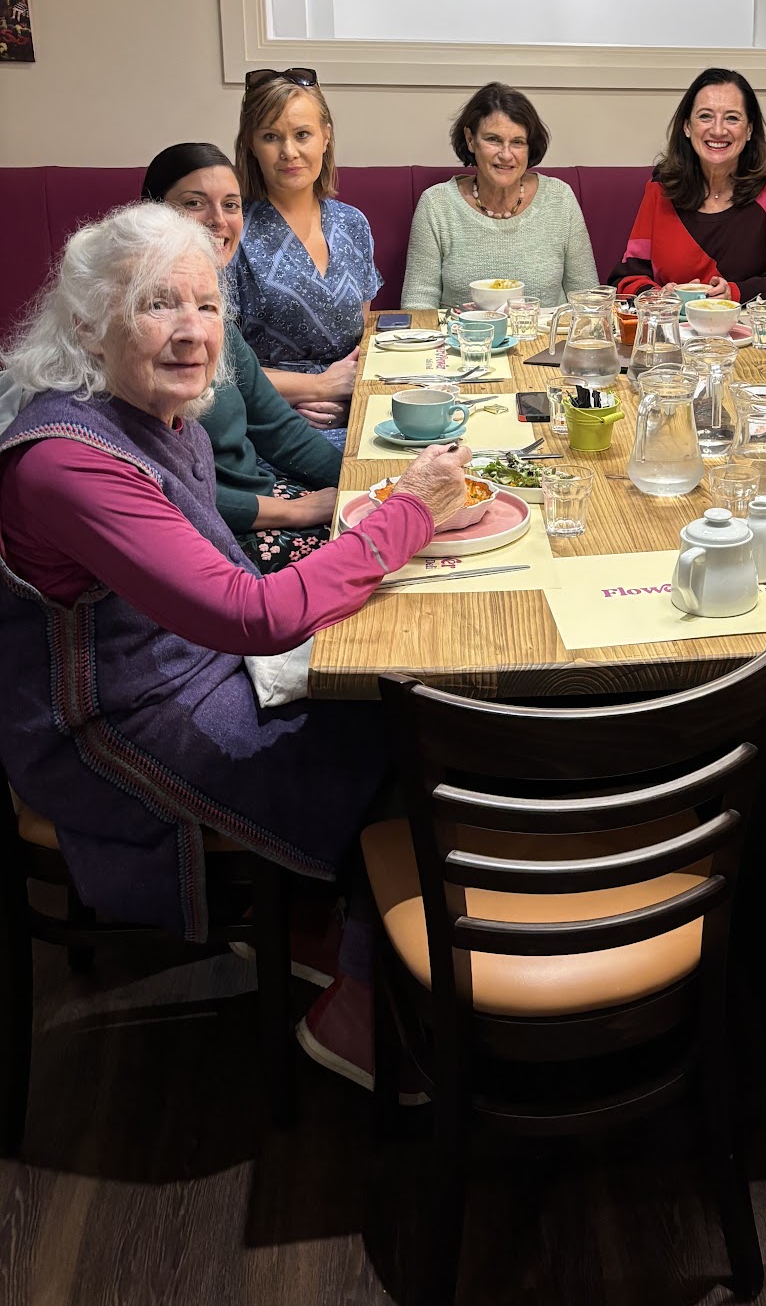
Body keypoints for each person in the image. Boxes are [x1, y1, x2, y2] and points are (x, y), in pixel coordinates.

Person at [0, 201, 467, 948]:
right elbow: (251, 614)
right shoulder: (67, 463)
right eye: (157, 304)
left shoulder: (156, 411)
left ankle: (334, 921)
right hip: (108, 725)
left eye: (208, 305)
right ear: (88, 326)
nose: (193, 331)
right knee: (404, 729)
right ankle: (354, 967)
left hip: (199, 664)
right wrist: (408, 512)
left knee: (403, 688)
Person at [141, 142, 342, 572]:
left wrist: (367, 480)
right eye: (194, 203)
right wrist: (297, 512)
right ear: (152, 214)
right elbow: (164, 487)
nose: (218, 220)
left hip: (267, 502)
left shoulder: (217, 321)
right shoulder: (139, 335)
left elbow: (280, 431)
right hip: (215, 536)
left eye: (231, 204)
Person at [228, 68, 378, 447]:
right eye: (270, 137)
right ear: (250, 145)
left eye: (302, 135)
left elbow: (362, 340)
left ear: (326, 137)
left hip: (355, 412)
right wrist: (316, 387)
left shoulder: (353, 224)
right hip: (266, 424)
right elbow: (218, 367)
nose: (289, 152)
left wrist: (350, 398)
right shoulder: (231, 232)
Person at [611, 67, 766, 300]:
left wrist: (734, 294)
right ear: (687, 126)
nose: (717, 130)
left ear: (749, 129)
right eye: (705, 116)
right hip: (674, 322)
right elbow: (626, 279)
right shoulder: (661, 188)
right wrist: (657, 297)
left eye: (732, 118)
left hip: (749, 321)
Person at [401, 82, 597, 309]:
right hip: (461, 333)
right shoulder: (436, 204)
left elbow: (588, 301)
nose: (506, 155)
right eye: (493, 140)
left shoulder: (560, 198)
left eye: (517, 142)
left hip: (547, 333)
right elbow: (417, 305)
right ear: (470, 140)